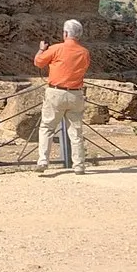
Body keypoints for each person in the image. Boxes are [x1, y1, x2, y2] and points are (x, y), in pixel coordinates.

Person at [34, 18, 91, 175]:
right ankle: (79, 165)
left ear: (65, 33)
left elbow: (38, 62)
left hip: (55, 92)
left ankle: (43, 160)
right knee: (76, 131)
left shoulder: (56, 48)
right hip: (76, 93)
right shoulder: (84, 52)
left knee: (47, 126)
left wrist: (41, 49)